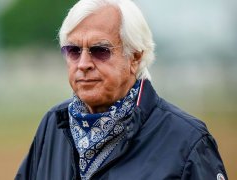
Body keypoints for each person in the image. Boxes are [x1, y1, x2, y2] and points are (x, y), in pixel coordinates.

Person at [15, 0, 228, 179]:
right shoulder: (54, 125)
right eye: (73, 50)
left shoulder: (188, 140)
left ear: (135, 57)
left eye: (99, 50)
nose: (83, 63)